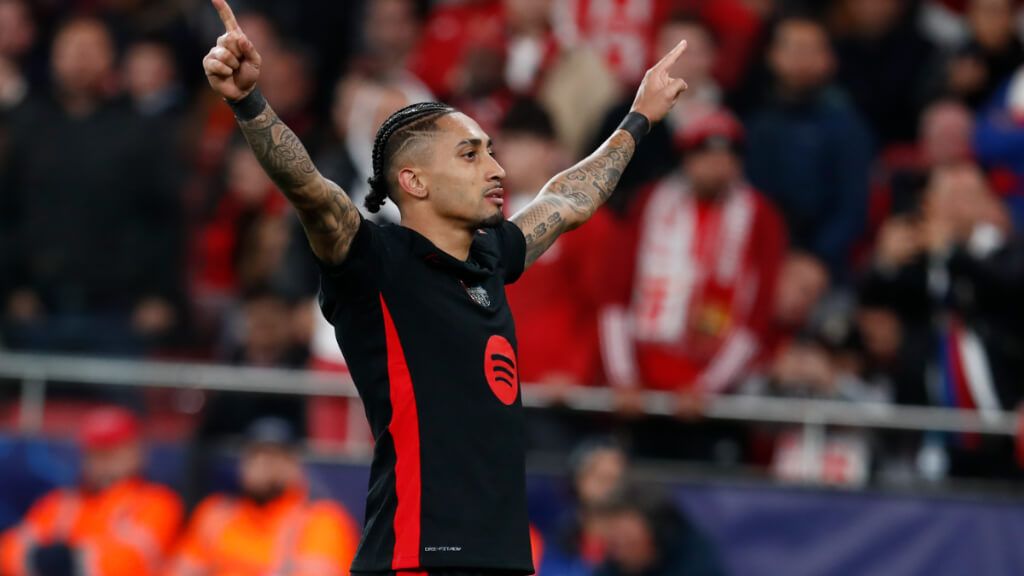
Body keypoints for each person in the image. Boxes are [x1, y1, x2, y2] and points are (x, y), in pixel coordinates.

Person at [201, 0, 688, 573]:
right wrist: (249, 102)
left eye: (491, 151)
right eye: (470, 153)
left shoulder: (490, 257)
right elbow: (309, 188)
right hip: (417, 556)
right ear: (414, 181)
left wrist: (638, 117)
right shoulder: (374, 261)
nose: (496, 169)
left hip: (501, 558)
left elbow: (566, 200)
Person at [744, 16, 873, 280]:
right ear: (773, 56)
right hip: (763, 256)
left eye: (812, 50)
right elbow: (751, 198)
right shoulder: (757, 125)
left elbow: (852, 206)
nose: (802, 59)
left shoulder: (848, 125)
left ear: (829, 59)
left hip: (826, 265)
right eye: (794, 49)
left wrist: (816, 258)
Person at [0, 407, 183, 576]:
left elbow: (126, 563)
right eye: (95, 452)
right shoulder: (62, 501)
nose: (103, 461)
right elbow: (8, 550)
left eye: (112, 451)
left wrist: (67, 561)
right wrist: (41, 559)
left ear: (135, 452)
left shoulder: (159, 501)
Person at [165, 418, 360, 576]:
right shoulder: (214, 513)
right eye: (255, 455)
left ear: (294, 465)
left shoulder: (323, 520)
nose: (262, 465)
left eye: (273, 456)